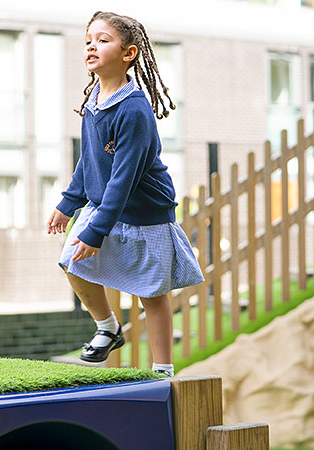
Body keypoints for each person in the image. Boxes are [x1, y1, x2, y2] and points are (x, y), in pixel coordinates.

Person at [46, 11, 204, 378]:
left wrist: (96, 230)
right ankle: (108, 328)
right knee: (72, 262)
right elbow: (89, 160)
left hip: (143, 210)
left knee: (151, 293)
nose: (92, 46)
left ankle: (163, 370)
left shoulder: (133, 108)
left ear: (129, 53)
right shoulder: (94, 102)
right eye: (88, 40)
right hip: (106, 205)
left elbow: (124, 178)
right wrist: (69, 203)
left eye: (103, 40)